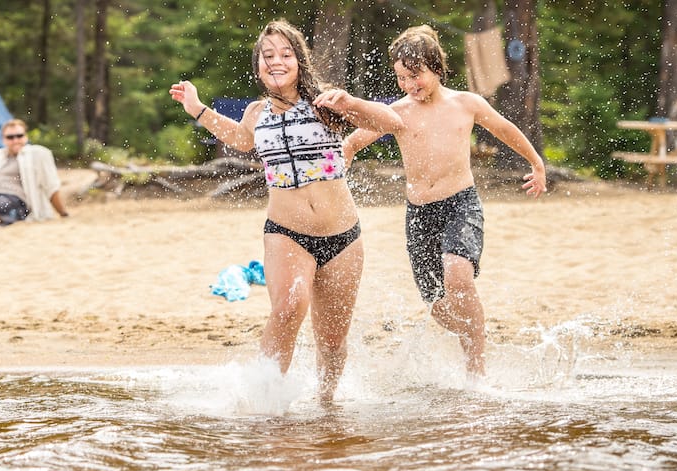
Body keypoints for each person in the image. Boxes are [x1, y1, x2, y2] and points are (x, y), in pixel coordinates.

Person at [169, 19, 403, 403]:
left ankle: (326, 403)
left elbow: (392, 122)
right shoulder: (256, 112)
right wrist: (196, 109)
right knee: (290, 306)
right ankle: (265, 403)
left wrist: (351, 103)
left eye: (285, 54)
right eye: (268, 56)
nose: (276, 61)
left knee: (332, 339)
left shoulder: (327, 102)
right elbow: (241, 139)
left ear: (299, 61)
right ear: (258, 65)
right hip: (286, 232)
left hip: (343, 237)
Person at [324, 25, 547, 378]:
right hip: (419, 214)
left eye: (416, 76)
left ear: (436, 69)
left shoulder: (466, 103)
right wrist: (339, 165)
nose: (409, 85)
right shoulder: (397, 112)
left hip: (461, 204)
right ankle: (474, 333)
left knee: (458, 276)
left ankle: (476, 368)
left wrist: (536, 164)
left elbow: (504, 129)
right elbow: (352, 143)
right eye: (401, 78)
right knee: (437, 305)